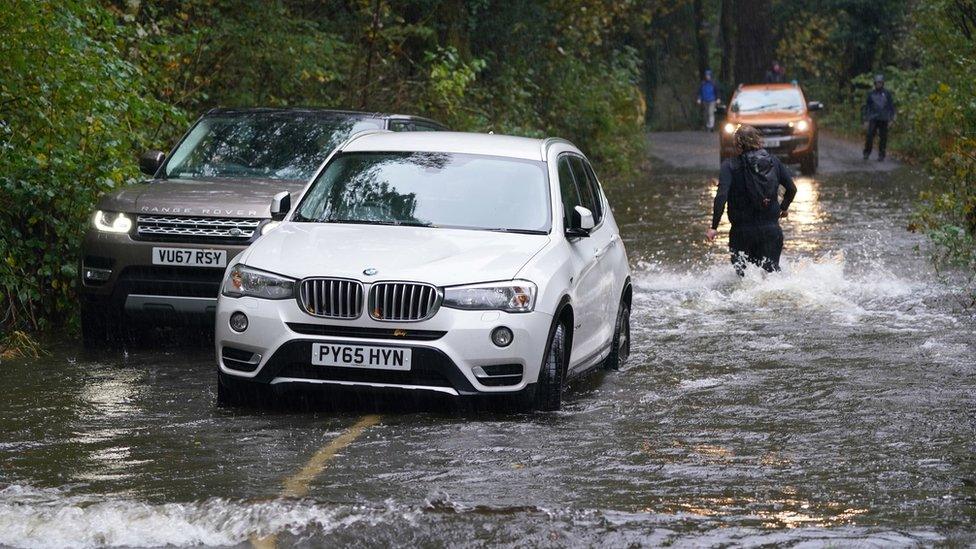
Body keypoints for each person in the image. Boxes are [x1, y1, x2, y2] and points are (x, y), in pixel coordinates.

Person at [706, 125, 797, 276]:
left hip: (741, 233)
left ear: (737, 144)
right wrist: (783, 207)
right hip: (771, 231)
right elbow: (792, 189)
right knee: (771, 278)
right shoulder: (773, 162)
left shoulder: (729, 166)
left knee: (744, 281)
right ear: (758, 141)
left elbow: (721, 196)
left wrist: (714, 227)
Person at [862, 74, 896, 161]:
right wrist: (865, 119)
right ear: (874, 83)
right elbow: (867, 107)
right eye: (877, 82)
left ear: (883, 83)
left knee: (883, 138)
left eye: (880, 82)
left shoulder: (887, 94)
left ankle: (881, 155)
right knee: (869, 136)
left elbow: (891, 106)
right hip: (873, 117)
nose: (878, 84)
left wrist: (891, 118)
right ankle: (866, 152)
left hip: (884, 118)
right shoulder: (871, 94)